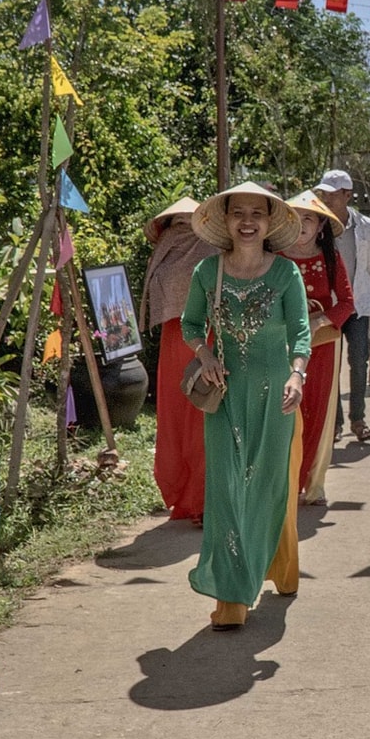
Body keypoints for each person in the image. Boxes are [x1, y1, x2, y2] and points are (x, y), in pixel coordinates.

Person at [181, 184, 311, 630]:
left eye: (258, 213)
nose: (248, 221)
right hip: (225, 395)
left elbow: (301, 332)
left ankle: (280, 567)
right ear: (227, 220)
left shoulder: (286, 274)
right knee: (226, 489)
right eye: (240, 213)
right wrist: (205, 354)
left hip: (276, 395)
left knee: (271, 487)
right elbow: (190, 324)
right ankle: (232, 595)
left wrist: (297, 375)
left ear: (270, 221)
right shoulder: (206, 271)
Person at [141, 196, 215, 525]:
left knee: (186, 417)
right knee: (197, 416)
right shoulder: (210, 246)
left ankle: (196, 498)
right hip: (200, 339)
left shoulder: (168, 249)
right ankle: (197, 499)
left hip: (186, 340)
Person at [283, 192, 353, 504]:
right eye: (295, 218)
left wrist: (320, 319)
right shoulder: (275, 259)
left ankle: (314, 483)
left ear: (321, 225)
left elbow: (348, 303)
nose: (301, 225)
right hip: (282, 346)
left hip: (323, 345)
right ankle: (285, 480)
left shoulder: (331, 259)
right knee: (288, 410)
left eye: (308, 218)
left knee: (319, 411)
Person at [314, 171, 370, 443]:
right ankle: (334, 423)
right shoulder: (317, 226)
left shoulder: (366, 226)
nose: (327, 198)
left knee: (359, 360)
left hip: (358, 305)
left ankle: (358, 419)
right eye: (324, 193)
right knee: (329, 365)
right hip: (327, 307)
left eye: (333, 194)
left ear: (347, 195)